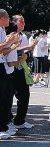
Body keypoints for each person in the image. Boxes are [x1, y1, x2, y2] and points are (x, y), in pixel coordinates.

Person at [0, 9, 20, 139]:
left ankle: (4, 125)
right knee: (2, 97)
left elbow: (3, 50)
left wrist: (13, 45)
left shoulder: (2, 30)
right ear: (2, 18)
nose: (9, 19)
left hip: (1, 64)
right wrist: (8, 42)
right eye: (7, 17)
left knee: (5, 97)